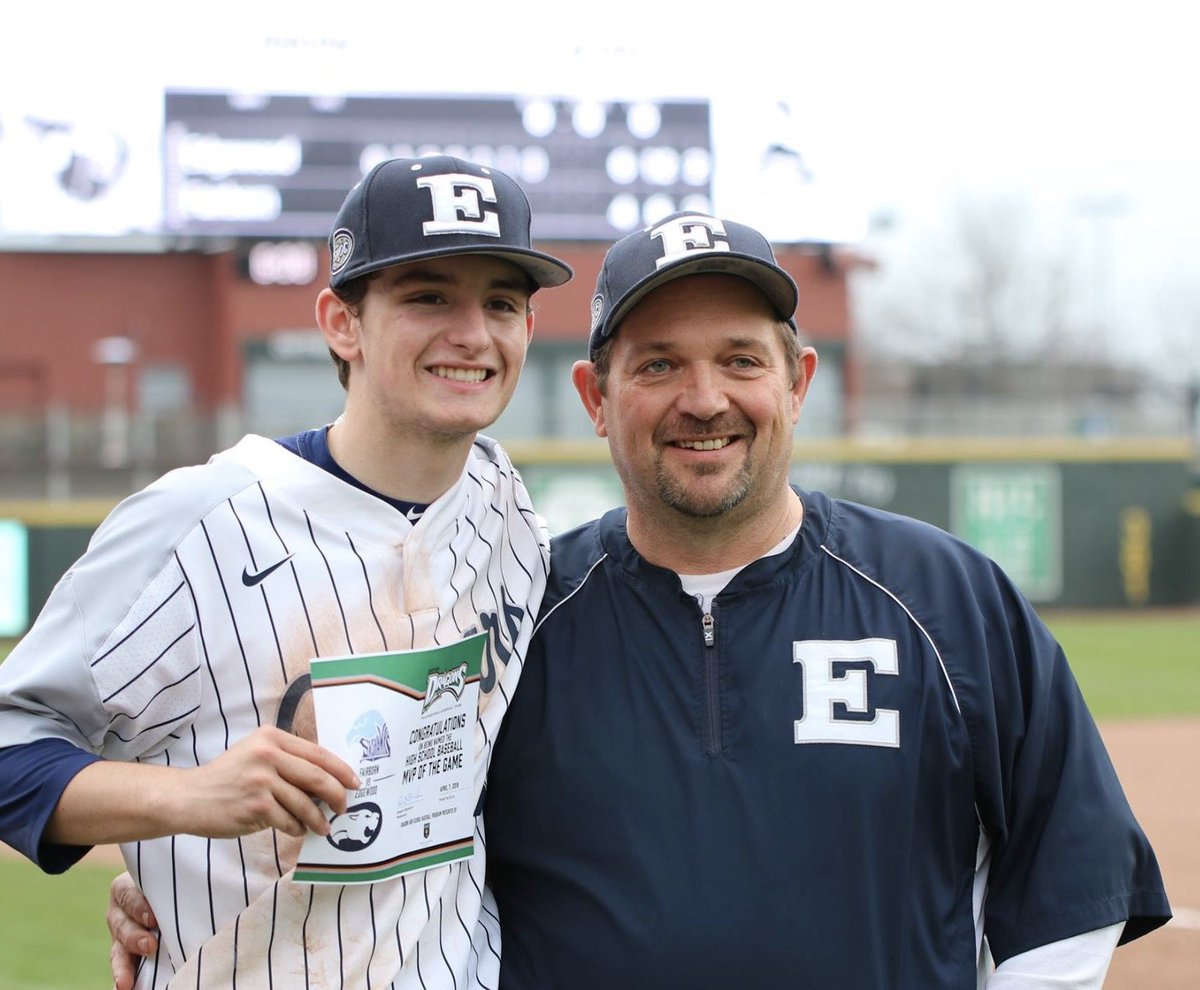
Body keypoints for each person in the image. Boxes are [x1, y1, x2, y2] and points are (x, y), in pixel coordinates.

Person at [107, 213, 1172, 987]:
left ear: (796, 383)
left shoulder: (946, 598)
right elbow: (383, 857)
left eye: (739, 361)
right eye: (657, 364)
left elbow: (1069, 879)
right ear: (595, 396)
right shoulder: (506, 614)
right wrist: (186, 894)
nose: (703, 399)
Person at [0, 154, 571, 990]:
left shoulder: (507, 509)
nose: (473, 334)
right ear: (342, 323)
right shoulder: (196, 520)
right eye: (427, 297)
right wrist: (183, 800)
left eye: (502, 303)